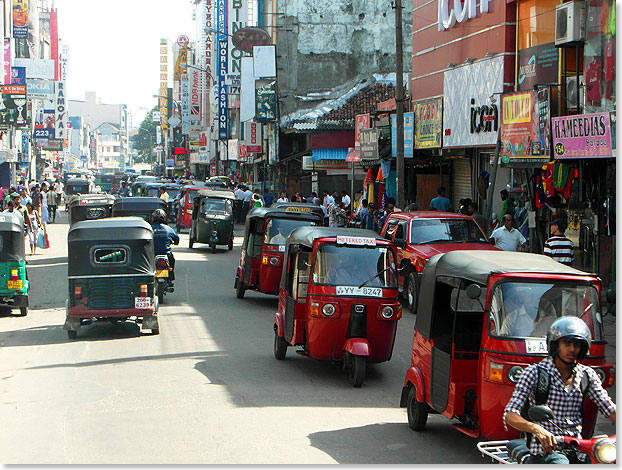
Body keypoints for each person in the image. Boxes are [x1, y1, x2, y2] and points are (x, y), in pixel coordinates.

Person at [504, 317, 616, 464]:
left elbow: (608, 407)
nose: (572, 349)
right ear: (555, 344)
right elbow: (510, 415)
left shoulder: (587, 375)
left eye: (577, 344)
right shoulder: (534, 373)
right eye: (566, 343)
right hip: (546, 452)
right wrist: (537, 430)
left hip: (579, 450)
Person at [151, 209, 179, 281]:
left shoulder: (149, 228)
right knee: (171, 261)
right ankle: (170, 277)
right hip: (166, 254)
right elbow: (176, 239)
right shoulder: (169, 229)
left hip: (152, 255)